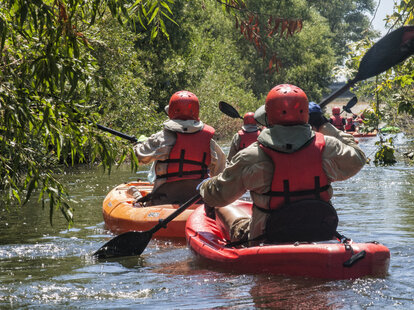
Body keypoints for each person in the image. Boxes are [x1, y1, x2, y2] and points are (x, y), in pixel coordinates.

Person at [199, 84, 366, 244]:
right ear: (306, 115)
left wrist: (204, 186)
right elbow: (358, 158)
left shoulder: (251, 156)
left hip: (266, 238)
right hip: (319, 233)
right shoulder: (329, 147)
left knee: (224, 209)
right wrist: (324, 124)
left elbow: (218, 196)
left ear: (268, 115)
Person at [134, 90, 226, 205]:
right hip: (199, 200)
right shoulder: (209, 141)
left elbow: (139, 157)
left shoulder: (161, 137)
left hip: (164, 200)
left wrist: (139, 144)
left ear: (171, 112)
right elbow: (221, 173)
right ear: (196, 113)